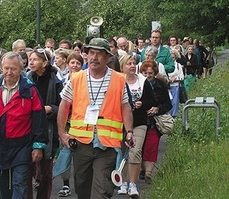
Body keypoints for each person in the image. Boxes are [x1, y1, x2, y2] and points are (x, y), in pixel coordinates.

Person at [57, 38, 134, 199]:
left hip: (107, 145)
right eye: (91, 53)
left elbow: (125, 107)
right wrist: (62, 133)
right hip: (81, 143)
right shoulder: (77, 78)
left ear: (107, 57)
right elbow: (64, 105)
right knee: (82, 187)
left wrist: (129, 132)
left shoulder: (119, 79)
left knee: (102, 190)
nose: (94, 57)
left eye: (99, 54)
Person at [0, 52, 48, 199]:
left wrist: (38, 146)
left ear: (21, 68)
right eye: (6, 68)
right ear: (0, 67)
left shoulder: (30, 90)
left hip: (22, 146)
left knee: (19, 183)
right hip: (0, 146)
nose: (9, 72)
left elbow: (39, 119)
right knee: (5, 186)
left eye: (13, 69)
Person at [117, 55, 157, 197]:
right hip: (120, 122)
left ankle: (132, 184)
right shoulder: (117, 81)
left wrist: (142, 104)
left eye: (134, 63)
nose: (132, 66)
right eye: (129, 64)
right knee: (122, 153)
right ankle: (122, 182)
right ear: (122, 67)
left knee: (135, 151)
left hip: (139, 122)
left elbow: (152, 100)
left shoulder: (143, 81)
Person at [27, 47, 63, 198]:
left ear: (44, 63)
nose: (31, 62)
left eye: (35, 59)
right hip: (28, 127)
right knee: (27, 169)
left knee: (46, 170)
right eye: (30, 59)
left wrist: (50, 109)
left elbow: (62, 106)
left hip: (48, 128)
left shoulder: (55, 81)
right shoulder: (26, 79)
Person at [140, 60, 172, 184]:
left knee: (152, 146)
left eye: (150, 73)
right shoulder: (139, 84)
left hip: (155, 121)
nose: (148, 76)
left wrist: (157, 109)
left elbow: (168, 104)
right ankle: (142, 168)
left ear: (155, 73)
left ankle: (148, 173)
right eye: (145, 73)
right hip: (141, 120)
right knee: (141, 147)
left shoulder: (161, 85)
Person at [56, 52, 84, 197]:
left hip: (80, 123)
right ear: (67, 65)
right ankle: (65, 185)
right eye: (72, 63)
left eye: (78, 63)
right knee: (65, 152)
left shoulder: (86, 81)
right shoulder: (62, 81)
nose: (75, 65)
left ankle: (80, 185)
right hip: (66, 123)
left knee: (80, 157)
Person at [168, 49, 185, 117]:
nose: (172, 59)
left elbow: (182, 76)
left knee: (175, 102)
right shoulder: (166, 65)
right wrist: (168, 80)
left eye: (173, 57)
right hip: (167, 87)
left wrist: (176, 79)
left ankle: (174, 117)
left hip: (176, 86)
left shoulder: (178, 65)